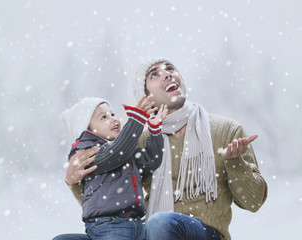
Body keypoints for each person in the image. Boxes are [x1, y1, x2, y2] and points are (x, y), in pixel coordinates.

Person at [58, 57, 268, 240]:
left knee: (160, 224)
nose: (167, 74)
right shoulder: (139, 140)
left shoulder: (226, 130)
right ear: (146, 96)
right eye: (154, 74)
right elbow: (106, 198)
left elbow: (254, 201)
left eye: (170, 69)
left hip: (203, 233)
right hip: (145, 232)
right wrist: (73, 179)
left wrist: (235, 162)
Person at [56, 96, 168, 240]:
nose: (113, 119)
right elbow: (116, 153)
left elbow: (152, 160)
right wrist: (137, 118)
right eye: (103, 117)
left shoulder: (122, 152)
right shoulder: (86, 151)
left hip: (134, 224)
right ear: (86, 128)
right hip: (109, 224)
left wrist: (154, 130)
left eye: (113, 114)